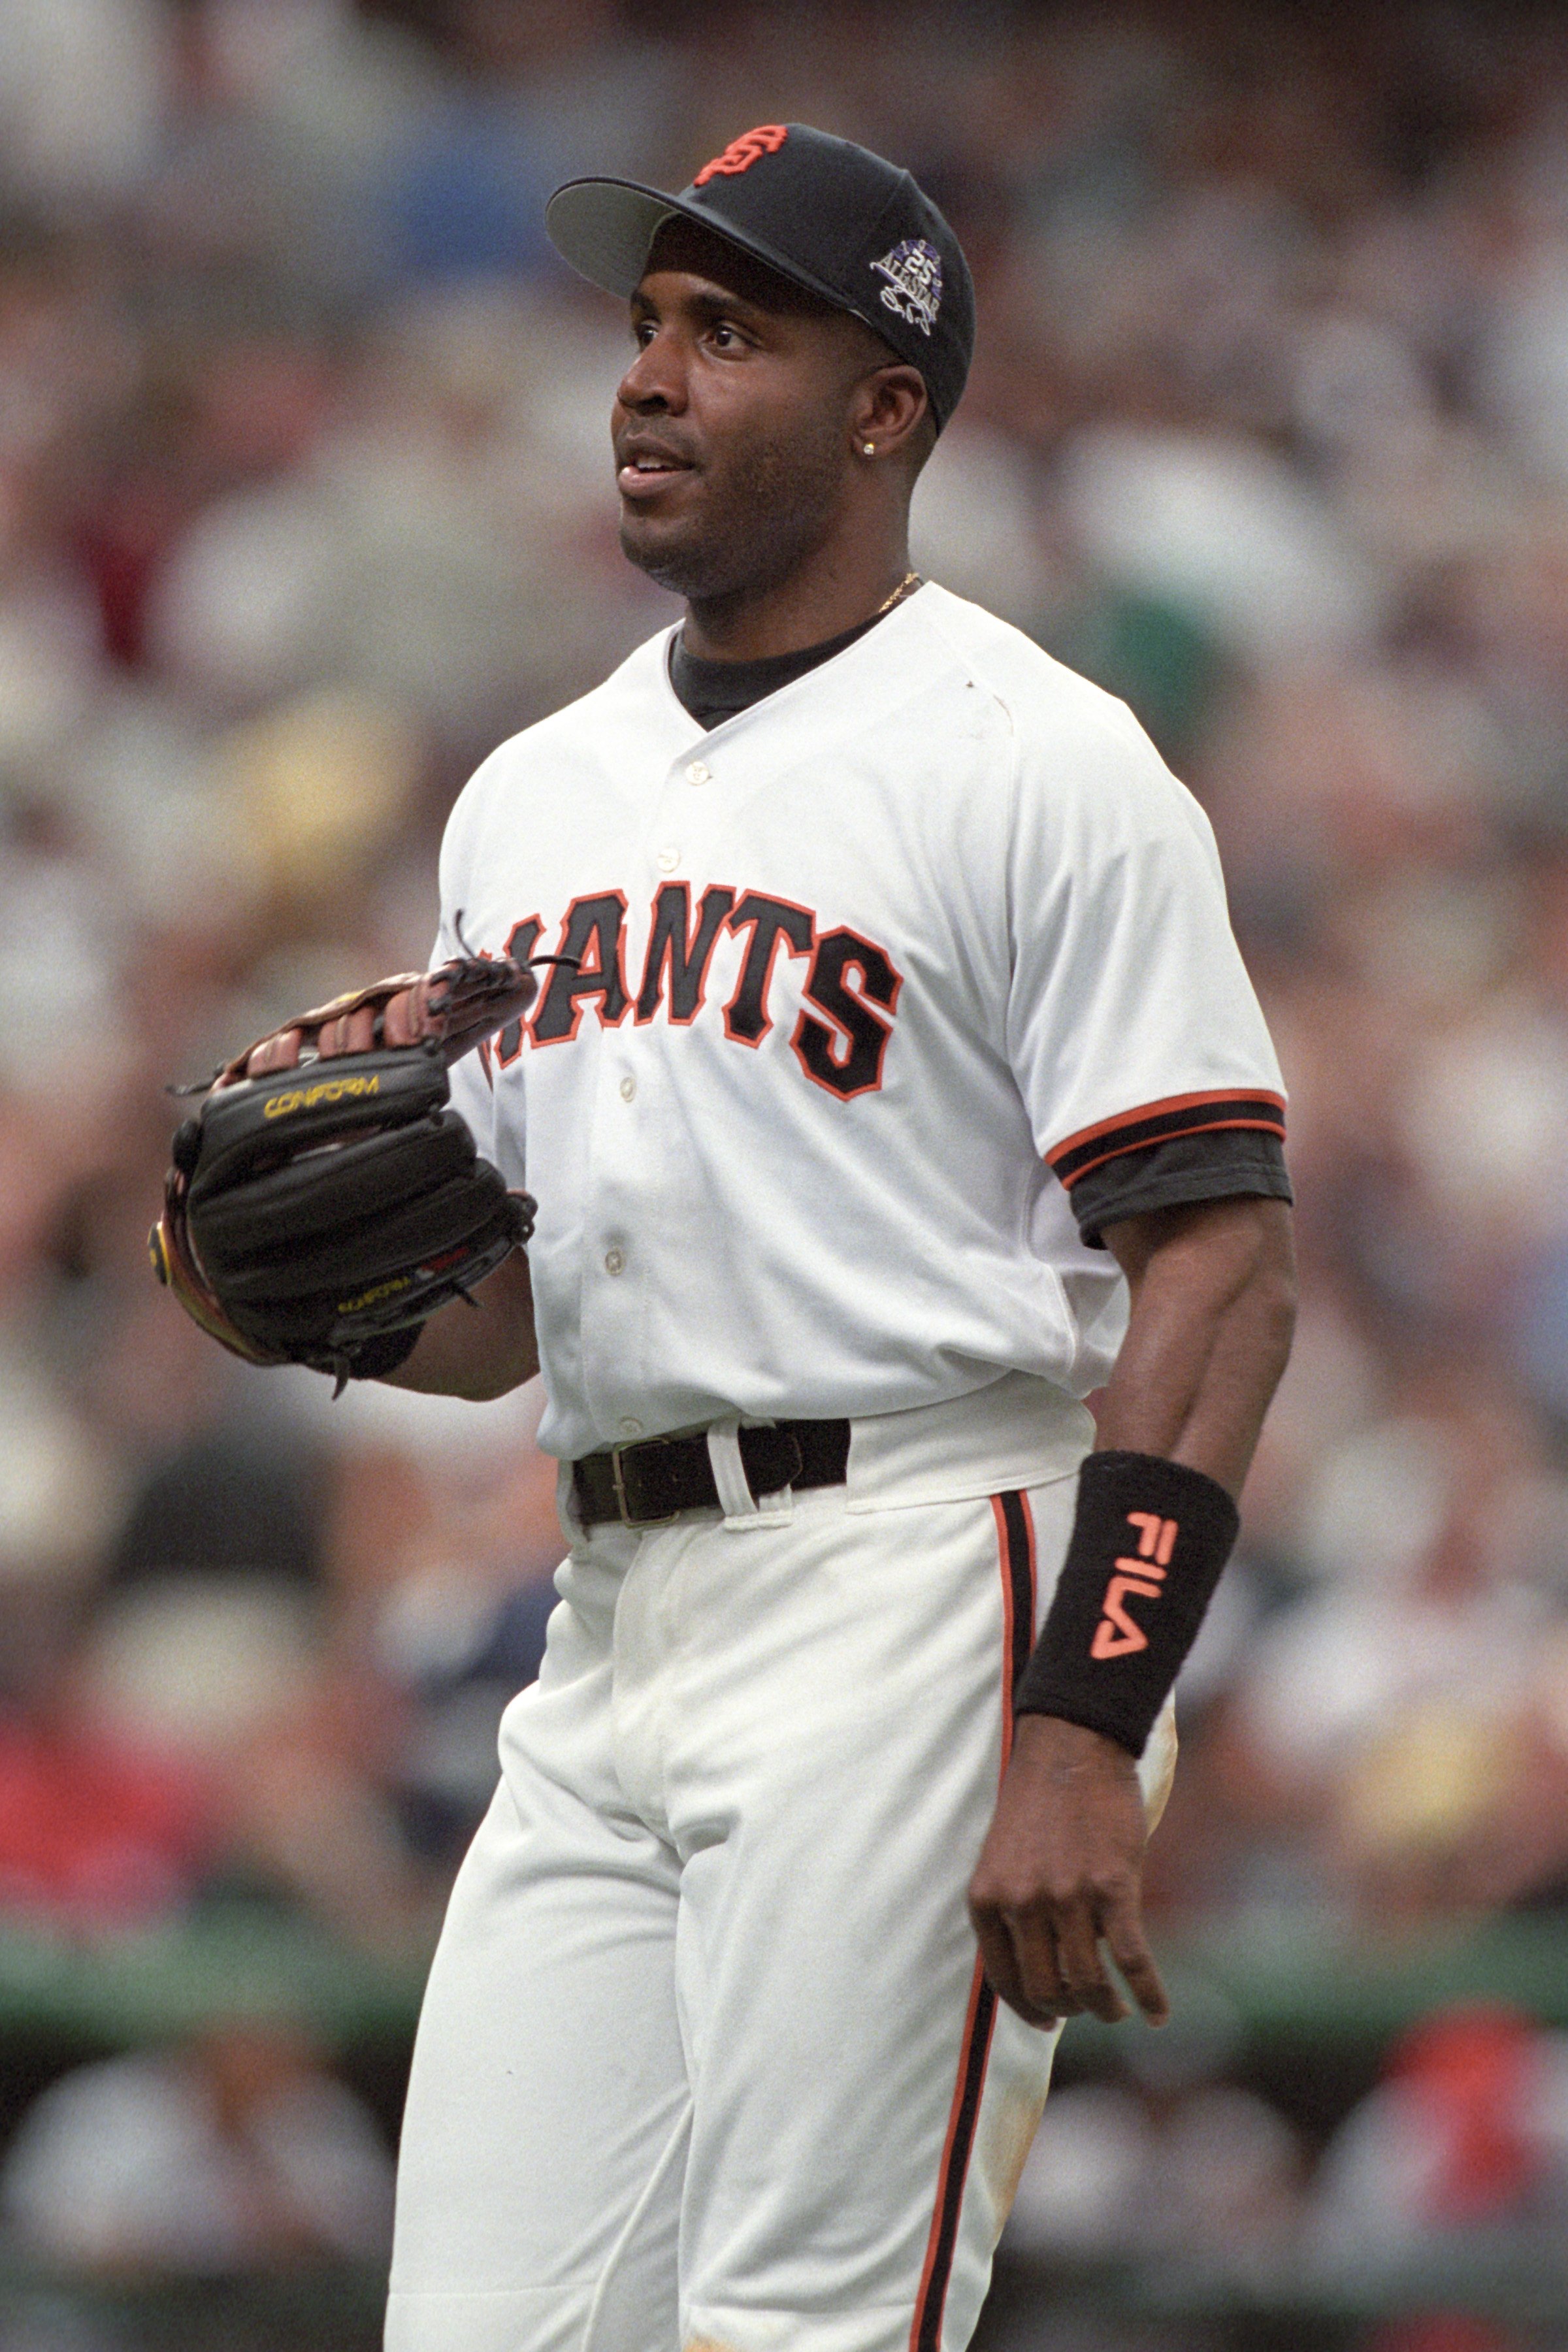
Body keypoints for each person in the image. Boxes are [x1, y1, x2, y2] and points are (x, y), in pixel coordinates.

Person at [359, 123, 1295, 2352]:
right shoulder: (527, 794)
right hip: (606, 1622)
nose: (650, 380)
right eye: (646, 327)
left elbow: (1223, 1270)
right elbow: (506, 1323)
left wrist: (1084, 1722)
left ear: (887, 406)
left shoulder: (1036, 756)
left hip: (914, 1570)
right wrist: (295, 1301)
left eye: (731, 331)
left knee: (805, 2326)